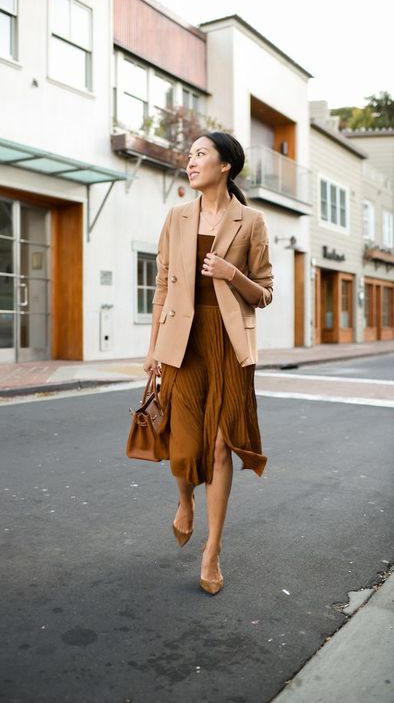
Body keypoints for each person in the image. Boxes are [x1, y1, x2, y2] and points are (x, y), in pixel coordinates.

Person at [143, 132, 273, 595]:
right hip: (183, 342)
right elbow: (162, 287)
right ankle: (185, 502)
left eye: (201, 154)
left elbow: (265, 292)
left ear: (225, 167)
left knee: (220, 447)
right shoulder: (176, 218)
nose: (191, 161)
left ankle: (212, 550)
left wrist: (230, 273)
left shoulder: (251, 222)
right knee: (183, 446)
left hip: (228, 344)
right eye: (191, 155)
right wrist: (154, 350)